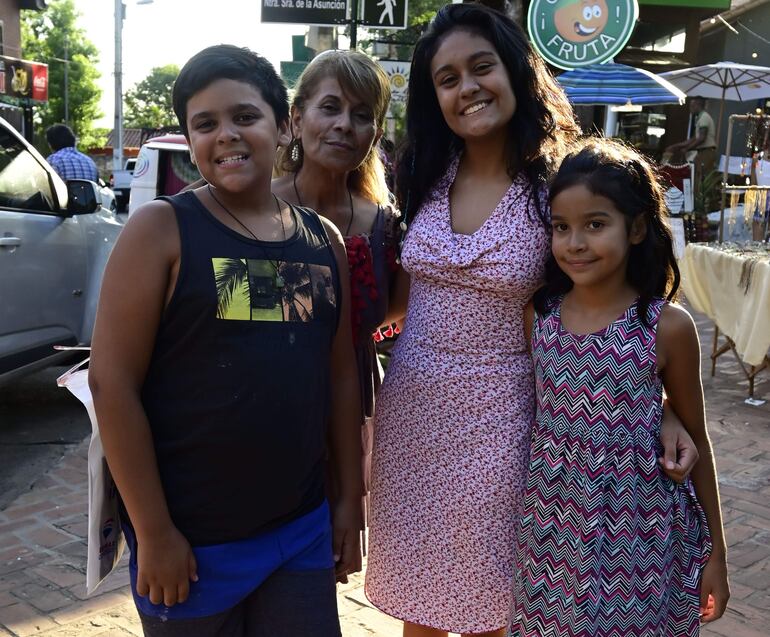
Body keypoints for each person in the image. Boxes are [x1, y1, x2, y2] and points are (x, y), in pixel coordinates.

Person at [364, 5, 700, 637]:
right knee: (422, 607)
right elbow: (407, 293)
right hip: (413, 418)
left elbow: (621, 307)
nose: (467, 88)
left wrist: (665, 404)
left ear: (515, 70)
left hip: (511, 420)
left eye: (481, 67)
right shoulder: (422, 174)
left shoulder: (557, 182)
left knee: (500, 605)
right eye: (447, 77)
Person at [88, 44, 361, 637]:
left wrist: (347, 502)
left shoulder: (324, 243)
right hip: (194, 542)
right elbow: (112, 386)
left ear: (284, 123)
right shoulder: (161, 232)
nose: (226, 136)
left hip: (300, 531)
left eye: (244, 116)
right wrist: (155, 532)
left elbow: (340, 379)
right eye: (204, 124)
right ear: (189, 140)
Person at [513, 138, 730, 636]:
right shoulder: (539, 315)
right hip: (551, 530)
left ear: (635, 228)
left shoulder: (665, 327)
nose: (575, 243)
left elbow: (698, 439)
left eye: (595, 224)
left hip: (641, 538)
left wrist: (716, 552)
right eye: (561, 227)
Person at [272, 49, 400, 542]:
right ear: (296, 118)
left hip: (351, 416)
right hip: (268, 408)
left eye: (363, 115)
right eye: (331, 108)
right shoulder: (252, 207)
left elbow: (393, 313)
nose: (345, 125)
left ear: (374, 134)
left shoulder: (384, 226)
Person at [664, 96, 717, 192]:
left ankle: (700, 202)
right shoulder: (700, 118)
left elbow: (701, 138)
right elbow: (694, 139)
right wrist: (677, 146)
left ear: (697, 105)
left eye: (692, 106)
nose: (690, 109)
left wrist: (687, 149)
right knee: (696, 176)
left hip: (706, 151)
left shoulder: (704, 117)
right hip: (702, 152)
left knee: (700, 178)